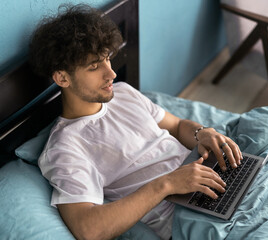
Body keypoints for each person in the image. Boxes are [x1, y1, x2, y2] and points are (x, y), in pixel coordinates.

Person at [30, 4, 243, 240]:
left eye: (107, 59)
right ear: (62, 77)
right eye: (94, 66)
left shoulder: (123, 92)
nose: (110, 73)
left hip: (207, 175)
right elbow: (88, 228)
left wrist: (201, 133)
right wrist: (168, 183)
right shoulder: (66, 146)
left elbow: (175, 126)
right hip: (188, 215)